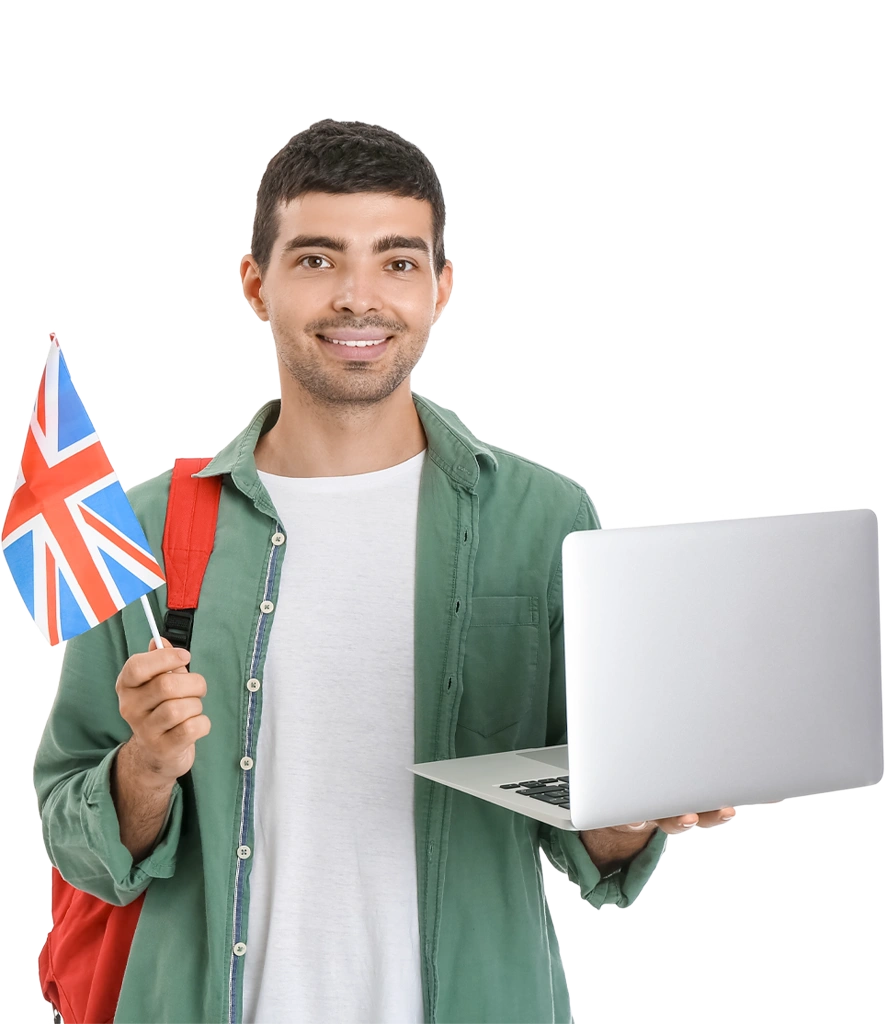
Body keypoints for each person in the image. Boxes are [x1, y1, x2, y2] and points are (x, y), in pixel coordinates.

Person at [33, 119, 733, 1024]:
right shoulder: (147, 525)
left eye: (397, 262)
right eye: (318, 260)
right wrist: (146, 771)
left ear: (441, 286)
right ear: (256, 285)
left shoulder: (545, 520)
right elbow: (74, 832)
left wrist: (639, 807)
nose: (359, 298)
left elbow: (585, 833)